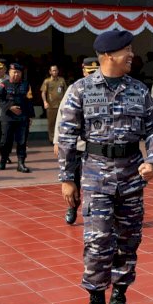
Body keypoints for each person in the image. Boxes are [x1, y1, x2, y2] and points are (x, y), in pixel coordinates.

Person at [58, 30, 153, 304]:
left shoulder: (139, 91)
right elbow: (66, 137)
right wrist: (67, 179)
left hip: (131, 175)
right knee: (97, 242)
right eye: (126, 51)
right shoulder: (81, 90)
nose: (131, 55)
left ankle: (119, 298)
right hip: (95, 177)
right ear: (108, 56)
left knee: (128, 240)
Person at [54, 58, 98, 225]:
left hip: (97, 148)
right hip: (77, 145)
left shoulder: (105, 88)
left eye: (95, 71)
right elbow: (62, 115)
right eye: (89, 71)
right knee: (76, 180)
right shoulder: (75, 88)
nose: (92, 75)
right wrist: (57, 141)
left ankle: (96, 213)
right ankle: (73, 207)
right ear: (83, 70)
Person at [0, 63, 35, 172]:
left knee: (22, 141)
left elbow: (29, 101)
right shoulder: (4, 85)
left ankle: (21, 163)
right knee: (5, 141)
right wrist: (10, 107)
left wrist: (30, 116)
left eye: (18, 72)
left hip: (22, 118)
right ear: (9, 72)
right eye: (14, 72)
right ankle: (3, 159)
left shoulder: (26, 85)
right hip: (8, 118)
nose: (16, 74)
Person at [40, 65, 67, 144]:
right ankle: (52, 139)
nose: (54, 72)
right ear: (50, 72)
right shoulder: (47, 81)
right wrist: (45, 102)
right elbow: (43, 92)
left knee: (61, 122)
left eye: (56, 70)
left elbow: (65, 91)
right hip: (51, 106)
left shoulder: (62, 80)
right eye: (53, 70)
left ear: (58, 71)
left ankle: (61, 137)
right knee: (51, 123)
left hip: (61, 105)